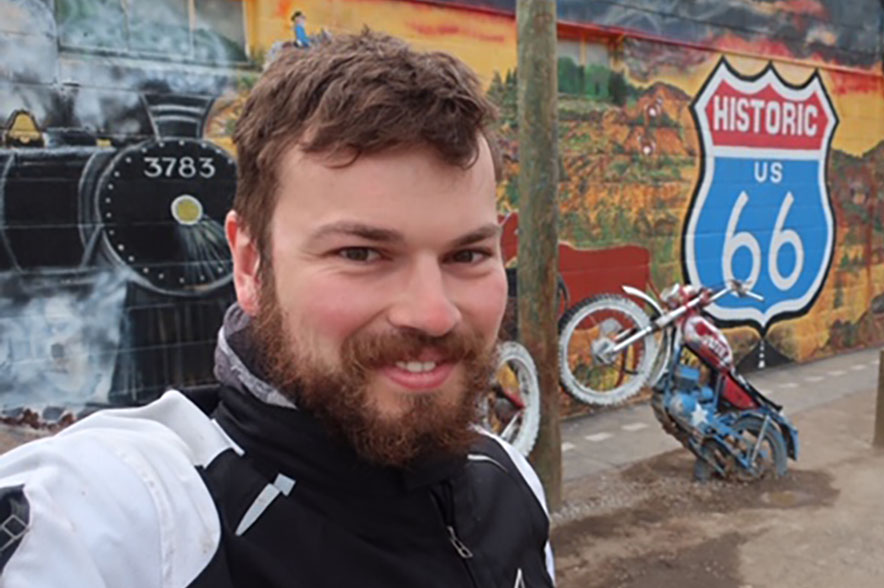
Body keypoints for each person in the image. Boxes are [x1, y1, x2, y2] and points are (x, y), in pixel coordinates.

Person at [0, 30, 555, 587]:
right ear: (250, 265)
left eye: (468, 253)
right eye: (360, 253)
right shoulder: (149, 518)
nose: (433, 314)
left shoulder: (511, 483)